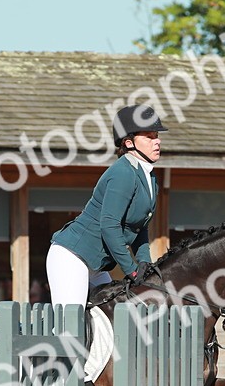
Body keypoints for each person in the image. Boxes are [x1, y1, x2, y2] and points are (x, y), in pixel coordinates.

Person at [46, 104, 166, 306]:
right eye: (149, 137)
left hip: (97, 265)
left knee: (116, 313)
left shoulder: (150, 178)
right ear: (129, 143)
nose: (157, 141)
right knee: (71, 322)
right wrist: (131, 269)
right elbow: (109, 225)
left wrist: (144, 261)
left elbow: (140, 227)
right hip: (72, 257)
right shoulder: (123, 173)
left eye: (157, 136)